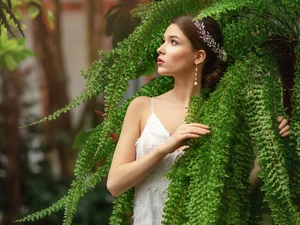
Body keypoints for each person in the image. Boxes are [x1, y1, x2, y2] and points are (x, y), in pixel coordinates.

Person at [106, 15, 290, 225]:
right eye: (163, 40)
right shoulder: (141, 107)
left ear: (198, 56)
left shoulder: (223, 116)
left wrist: (269, 150)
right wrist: (165, 148)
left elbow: (234, 195)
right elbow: (115, 184)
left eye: (173, 42)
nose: (161, 48)